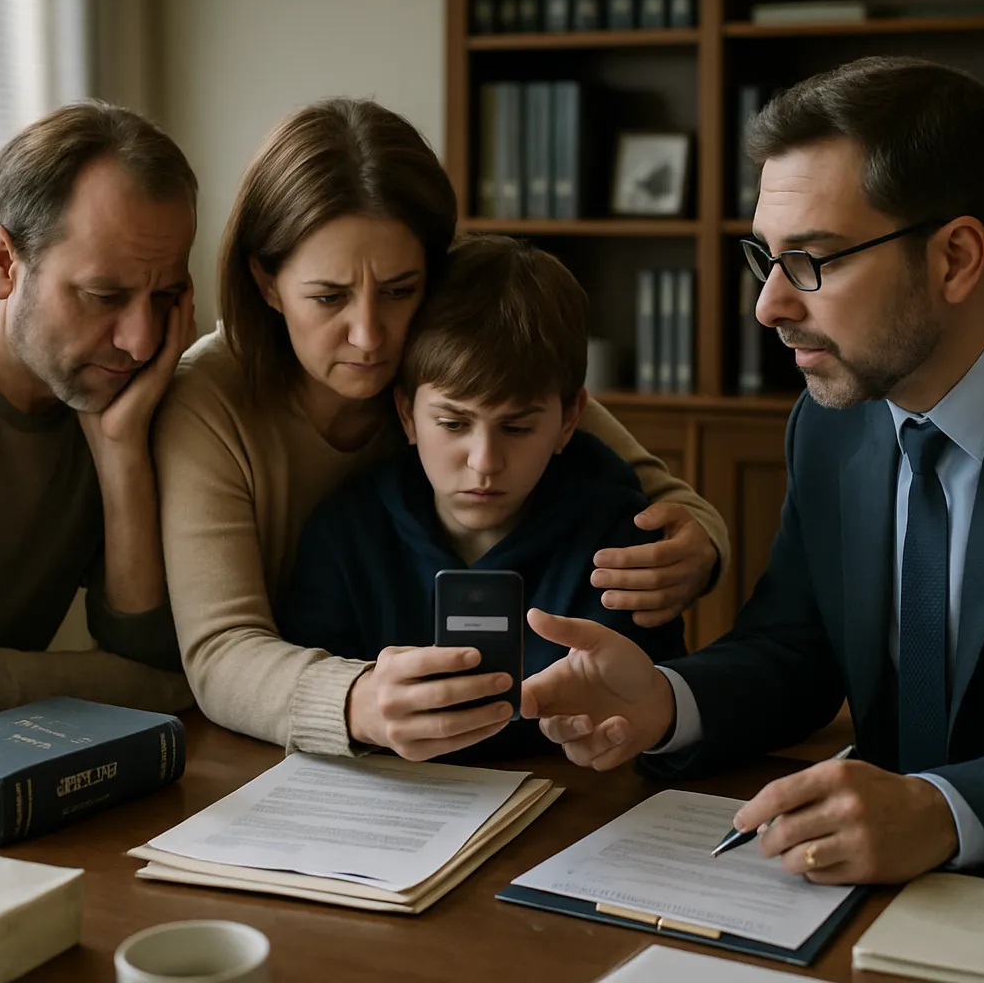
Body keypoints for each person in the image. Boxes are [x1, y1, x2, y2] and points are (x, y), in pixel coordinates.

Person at [520, 56, 984, 884]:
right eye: (765, 257)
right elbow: (796, 649)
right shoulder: (834, 428)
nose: (769, 304)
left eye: (815, 259)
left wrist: (950, 810)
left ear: (955, 258)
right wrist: (665, 702)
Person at [153, 98, 729, 758]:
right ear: (266, 281)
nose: (371, 337)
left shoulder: (449, 352)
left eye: (400, 290)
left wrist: (701, 543)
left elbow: (642, 483)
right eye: (328, 296)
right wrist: (360, 701)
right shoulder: (210, 400)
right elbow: (222, 650)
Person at [275, 234, 686, 761]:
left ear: (569, 421)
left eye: (516, 428)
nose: (484, 462)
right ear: (406, 415)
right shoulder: (344, 534)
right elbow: (311, 722)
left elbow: (662, 717)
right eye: (453, 423)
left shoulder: (622, 545)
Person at [0, 100, 198, 719]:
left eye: (167, 295)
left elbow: (153, 661)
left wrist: (121, 451)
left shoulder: (139, 393)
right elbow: (155, 691)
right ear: (2, 263)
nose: (142, 341)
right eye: (104, 296)